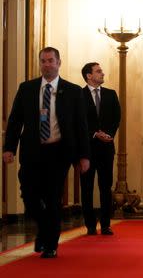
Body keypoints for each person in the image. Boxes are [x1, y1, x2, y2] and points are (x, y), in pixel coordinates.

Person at [2, 47, 90, 258]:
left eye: (51, 60)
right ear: (40, 63)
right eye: (43, 61)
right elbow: (15, 120)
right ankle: (44, 230)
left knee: (52, 199)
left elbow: (81, 126)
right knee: (29, 195)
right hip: (33, 152)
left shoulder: (73, 91)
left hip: (59, 153)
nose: (47, 64)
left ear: (59, 63)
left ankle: (50, 244)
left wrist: (84, 156)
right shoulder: (27, 88)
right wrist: (9, 148)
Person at [80, 62, 121, 235]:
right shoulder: (78, 95)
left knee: (105, 187)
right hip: (87, 149)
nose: (102, 73)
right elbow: (77, 121)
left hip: (106, 148)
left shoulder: (111, 95)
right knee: (87, 188)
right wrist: (95, 134)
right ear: (89, 76)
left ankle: (105, 224)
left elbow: (116, 117)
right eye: (98, 71)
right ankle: (90, 225)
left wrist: (108, 134)